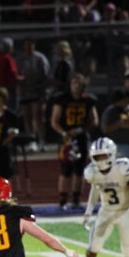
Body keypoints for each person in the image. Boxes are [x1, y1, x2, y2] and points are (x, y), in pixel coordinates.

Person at [79, 138, 129, 257]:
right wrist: (88, 212)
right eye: (97, 156)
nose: (101, 159)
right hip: (106, 212)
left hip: (125, 212)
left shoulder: (123, 167)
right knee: (93, 248)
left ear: (112, 154)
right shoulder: (92, 172)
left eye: (103, 155)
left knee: (127, 252)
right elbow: (94, 191)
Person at [49, 73, 98, 210]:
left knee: (79, 170)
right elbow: (54, 120)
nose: (76, 86)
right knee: (65, 169)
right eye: (74, 83)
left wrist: (82, 129)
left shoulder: (88, 100)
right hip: (66, 139)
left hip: (81, 137)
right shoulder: (62, 99)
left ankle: (76, 199)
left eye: (79, 84)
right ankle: (62, 200)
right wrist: (63, 133)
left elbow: (95, 120)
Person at [19, 39, 50, 150]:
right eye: (26, 46)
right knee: (27, 116)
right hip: (25, 91)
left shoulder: (40, 58)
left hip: (38, 91)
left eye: (30, 46)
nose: (28, 48)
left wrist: (40, 86)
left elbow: (45, 74)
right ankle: (31, 140)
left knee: (38, 116)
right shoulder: (21, 58)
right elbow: (17, 73)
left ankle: (41, 140)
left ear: (33, 46)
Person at [100, 89, 129, 168]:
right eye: (123, 100)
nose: (125, 102)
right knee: (120, 167)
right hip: (118, 144)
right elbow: (105, 129)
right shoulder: (110, 111)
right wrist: (119, 124)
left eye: (127, 100)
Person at [0, 37, 22, 109]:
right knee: (11, 111)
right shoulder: (8, 58)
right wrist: (24, 78)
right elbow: (13, 75)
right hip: (8, 91)